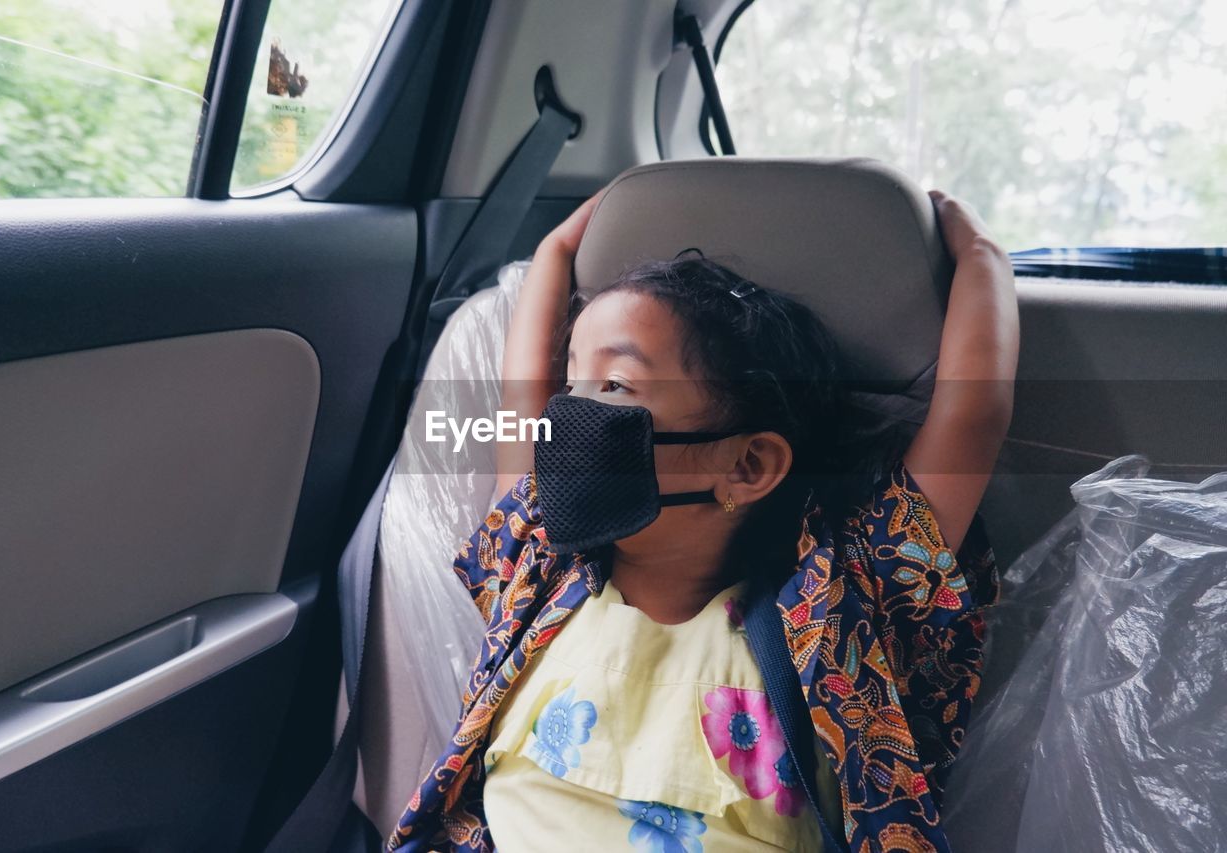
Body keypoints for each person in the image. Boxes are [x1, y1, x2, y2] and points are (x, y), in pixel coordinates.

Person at [385, 185, 1018, 852]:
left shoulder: (838, 615)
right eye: (571, 384)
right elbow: (522, 403)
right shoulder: (539, 568)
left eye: (616, 387)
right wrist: (557, 250)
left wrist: (980, 254)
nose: (569, 416)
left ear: (747, 466)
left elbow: (972, 419)